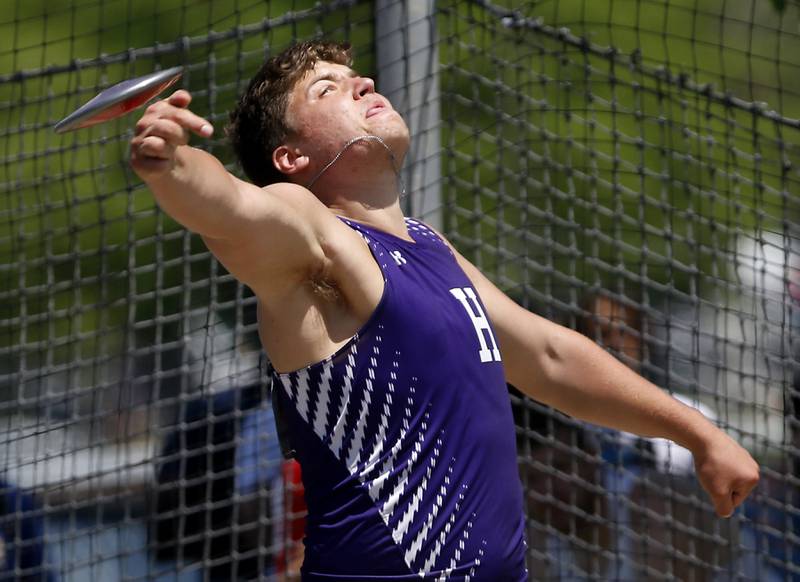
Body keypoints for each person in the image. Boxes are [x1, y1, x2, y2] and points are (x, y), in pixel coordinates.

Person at [129, 40, 759, 580]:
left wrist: (696, 433)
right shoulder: (312, 233)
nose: (363, 83)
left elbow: (549, 355)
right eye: (329, 89)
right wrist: (173, 164)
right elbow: (232, 209)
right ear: (291, 160)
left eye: (357, 78)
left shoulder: (430, 248)